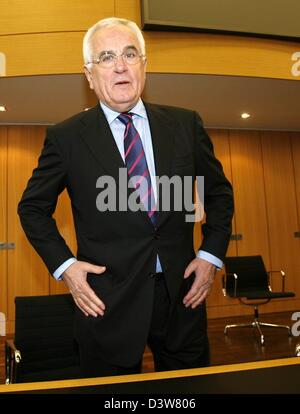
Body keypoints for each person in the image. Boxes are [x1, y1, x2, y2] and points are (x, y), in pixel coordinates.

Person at [18, 17, 234, 378]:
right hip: (105, 302)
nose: (120, 65)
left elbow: (219, 194)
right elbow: (32, 208)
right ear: (89, 75)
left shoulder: (185, 124)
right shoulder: (66, 138)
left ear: (144, 66)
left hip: (182, 297)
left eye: (130, 54)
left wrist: (210, 256)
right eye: (106, 56)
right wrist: (66, 267)